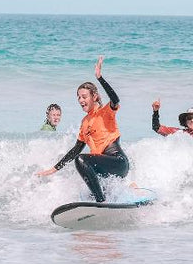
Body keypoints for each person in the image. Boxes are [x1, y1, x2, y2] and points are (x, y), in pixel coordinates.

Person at [37, 56, 128, 202]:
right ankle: (104, 199)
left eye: (84, 96)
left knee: (81, 160)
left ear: (94, 96)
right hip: (102, 169)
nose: (80, 100)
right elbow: (76, 149)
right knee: (88, 188)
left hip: (117, 162)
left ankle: (101, 201)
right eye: (78, 97)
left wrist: (100, 78)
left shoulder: (105, 112)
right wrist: (53, 169)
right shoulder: (85, 122)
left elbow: (115, 99)